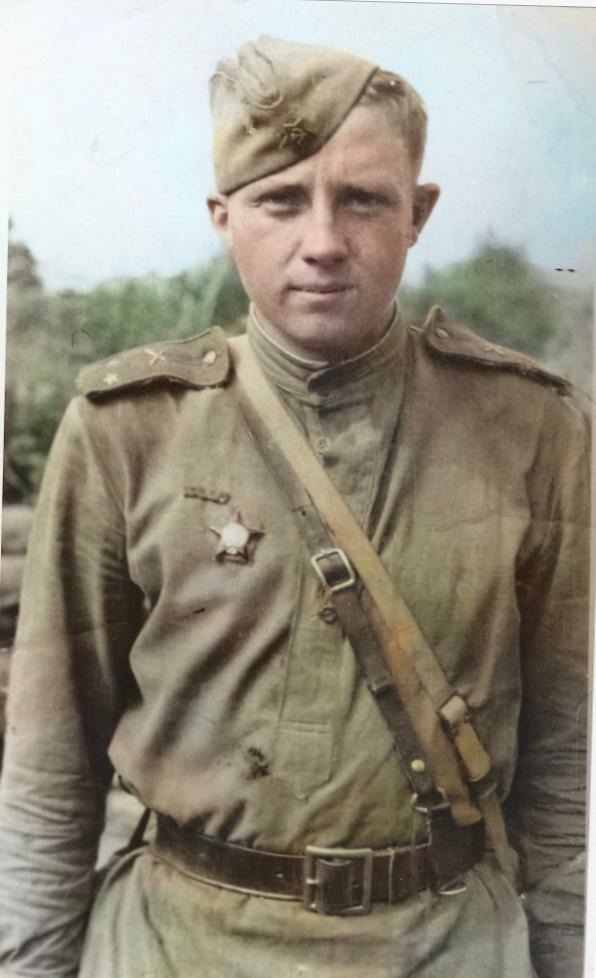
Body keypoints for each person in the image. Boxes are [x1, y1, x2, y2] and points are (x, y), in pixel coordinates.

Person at [0, 35, 589, 978]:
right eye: (280, 200)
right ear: (223, 217)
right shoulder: (127, 431)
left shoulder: (531, 429)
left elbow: (570, 767)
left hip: (444, 948)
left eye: (364, 199)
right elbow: (47, 769)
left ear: (418, 213)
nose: (323, 241)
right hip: (174, 950)